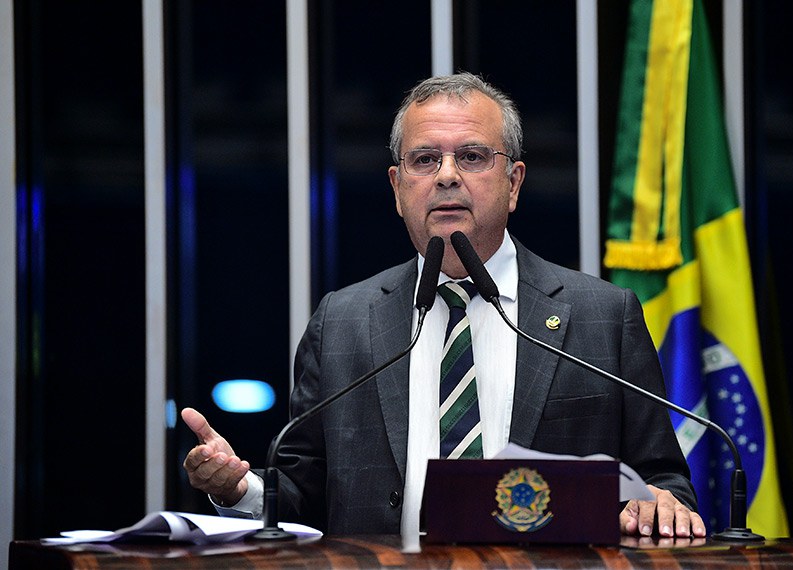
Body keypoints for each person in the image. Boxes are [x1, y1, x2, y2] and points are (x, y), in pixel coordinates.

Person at [182, 72, 706, 540]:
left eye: (473, 156)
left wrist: (661, 505)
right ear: (397, 187)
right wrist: (241, 489)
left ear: (514, 183)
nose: (447, 175)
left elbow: (664, 479)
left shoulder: (603, 316)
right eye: (424, 159)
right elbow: (301, 495)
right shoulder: (342, 323)